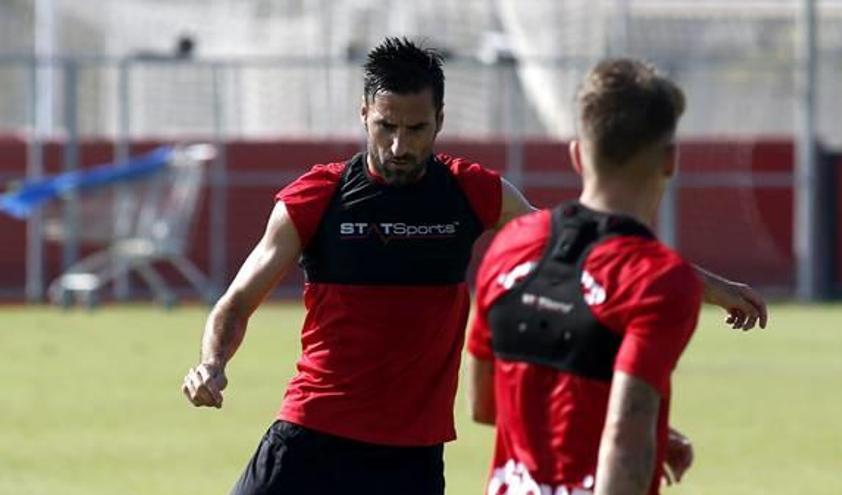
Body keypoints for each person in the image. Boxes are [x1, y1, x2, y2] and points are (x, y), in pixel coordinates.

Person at [182, 38, 765, 494]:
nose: (399, 145)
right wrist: (212, 363)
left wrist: (716, 290)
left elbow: (589, 248)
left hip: (411, 459)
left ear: (440, 118)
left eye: (416, 128)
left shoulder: (473, 193)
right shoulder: (317, 197)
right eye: (386, 126)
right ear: (364, 114)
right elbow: (236, 301)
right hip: (311, 436)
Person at [467, 58, 766, 495]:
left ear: (576, 153)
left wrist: (640, 432)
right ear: (670, 161)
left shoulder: (509, 245)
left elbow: (484, 404)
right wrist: (636, 432)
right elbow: (625, 446)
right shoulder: (662, 281)